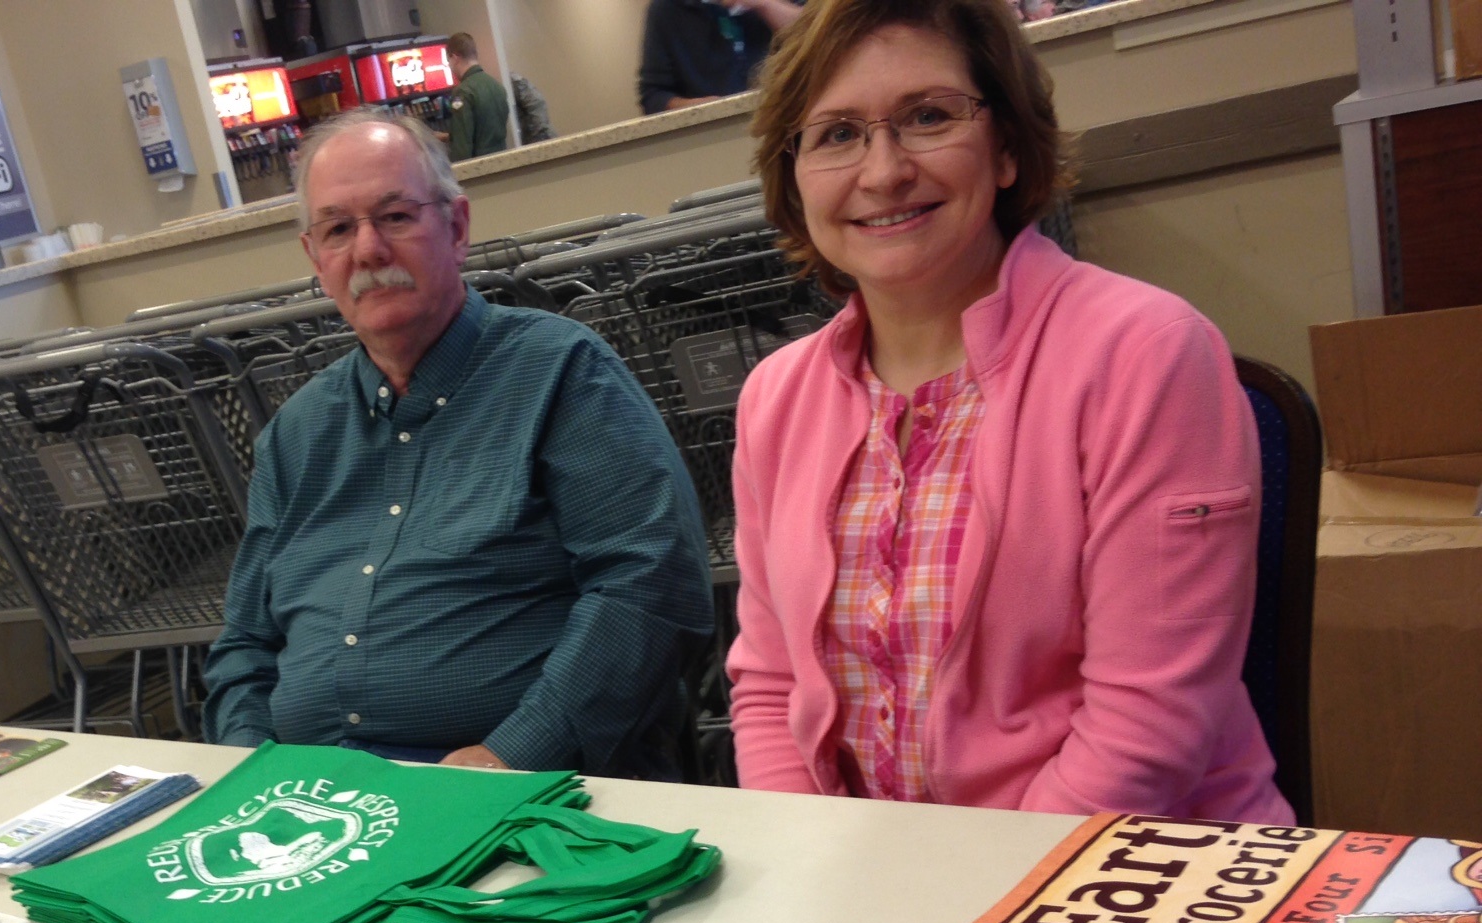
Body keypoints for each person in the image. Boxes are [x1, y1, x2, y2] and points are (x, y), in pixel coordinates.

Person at [726, 0, 1291, 819]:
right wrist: (802, 857)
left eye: (927, 117)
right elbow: (771, 685)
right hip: (874, 883)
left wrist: (963, 917)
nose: (882, 172)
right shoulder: (776, 397)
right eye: (837, 134)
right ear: (795, 176)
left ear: (1005, 150)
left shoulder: (1145, 352)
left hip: (1134, 873)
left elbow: (1148, 729)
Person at [204, 110, 713, 776]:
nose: (367, 251)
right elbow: (245, 642)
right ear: (315, 260)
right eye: (337, 229)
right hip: (310, 802)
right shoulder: (296, 433)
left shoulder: (560, 372)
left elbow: (650, 586)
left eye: (395, 217)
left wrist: (514, 752)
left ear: (458, 226)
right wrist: (245, 763)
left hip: (520, 785)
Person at [641, 0, 806, 114]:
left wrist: (765, 4)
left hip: (789, 117)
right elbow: (653, 96)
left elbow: (818, 38)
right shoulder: (665, 10)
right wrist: (702, 110)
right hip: (713, 137)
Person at [444, 32, 510, 160]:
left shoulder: (463, 92)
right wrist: (448, 136)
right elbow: (486, 129)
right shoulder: (496, 86)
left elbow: (462, 145)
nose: (450, 67)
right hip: (501, 161)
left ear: (455, 58)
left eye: (449, 61)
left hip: (479, 169)